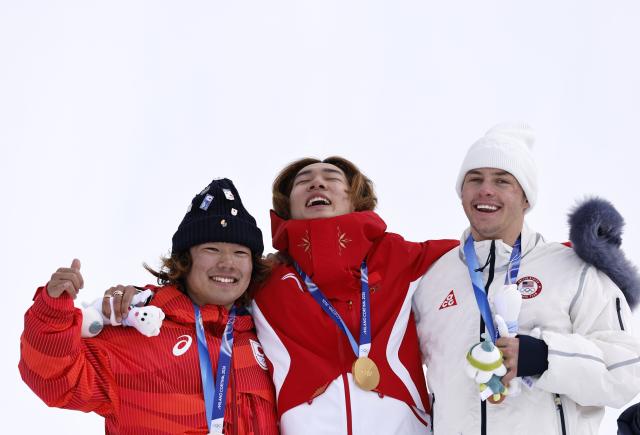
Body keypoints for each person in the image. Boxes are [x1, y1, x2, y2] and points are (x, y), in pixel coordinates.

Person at [412, 123, 640, 434]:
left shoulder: (575, 272)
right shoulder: (432, 281)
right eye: (474, 179)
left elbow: (626, 371)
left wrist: (544, 356)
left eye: (502, 181)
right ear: (461, 193)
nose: (485, 190)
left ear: (526, 199)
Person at [19, 178, 279, 435]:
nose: (227, 263)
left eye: (240, 253)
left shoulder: (270, 337)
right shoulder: (136, 332)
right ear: (185, 261)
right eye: (212, 249)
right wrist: (52, 312)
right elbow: (56, 380)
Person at [250, 157, 458, 434]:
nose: (317, 183)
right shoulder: (264, 282)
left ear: (355, 199)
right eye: (303, 181)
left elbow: (482, 253)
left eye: (332, 178)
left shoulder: (398, 258)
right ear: (287, 205)